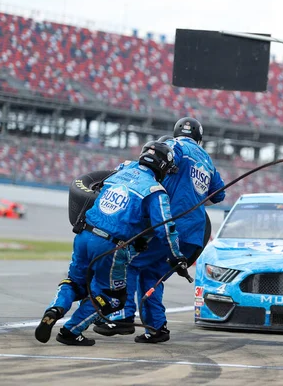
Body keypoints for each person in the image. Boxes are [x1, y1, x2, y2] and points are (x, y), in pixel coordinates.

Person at [34, 142, 183, 346]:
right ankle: (70, 330)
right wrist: (177, 256)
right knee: (113, 298)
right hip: (110, 246)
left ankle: (55, 308)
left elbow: (121, 210)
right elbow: (165, 229)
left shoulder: (121, 171)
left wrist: (137, 240)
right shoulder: (155, 191)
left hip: (84, 235)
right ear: (163, 167)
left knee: (75, 282)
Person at [93, 117, 226, 343]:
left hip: (168, 227)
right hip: (194, 235)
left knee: (129, 263)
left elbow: (152, 160)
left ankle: (122, 316)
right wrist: (193, 197)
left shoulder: (174, 146)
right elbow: (219, 195)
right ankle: (156, 328)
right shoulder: (208, 162)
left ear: (175, 133)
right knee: (152, 274)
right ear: (200, 139)